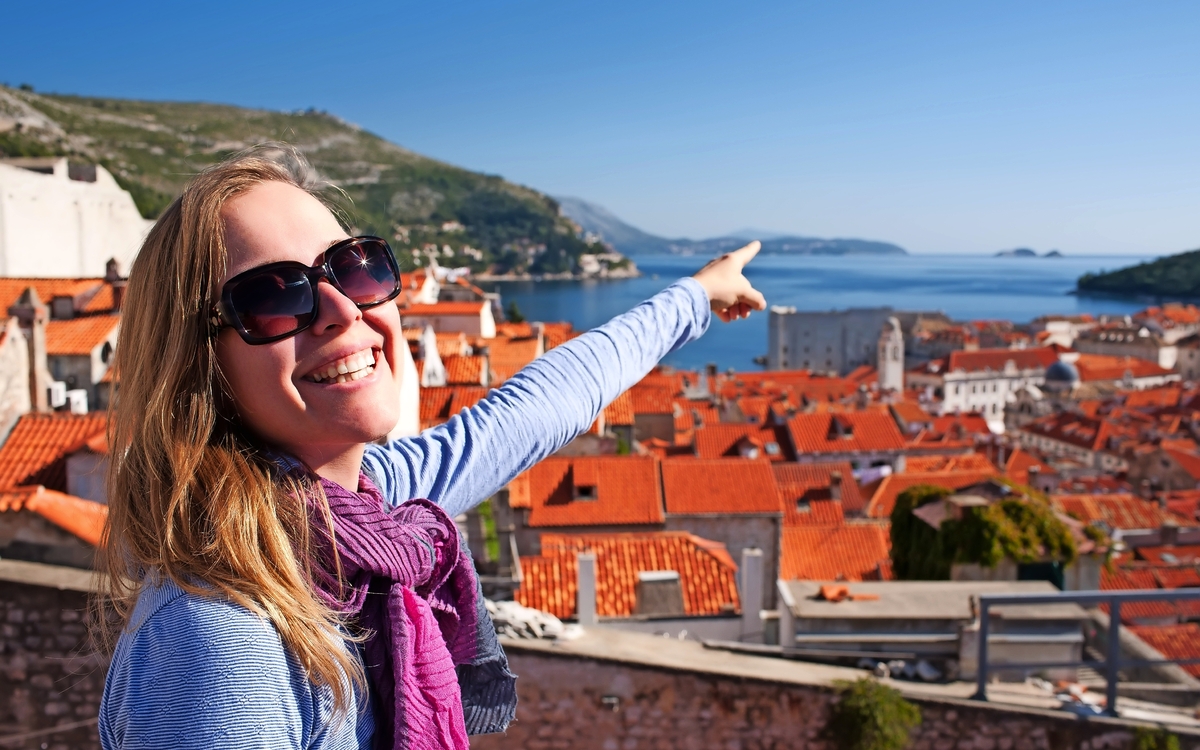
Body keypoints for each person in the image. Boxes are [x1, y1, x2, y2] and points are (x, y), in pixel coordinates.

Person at [96, 145, 765, 750]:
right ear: (198, 366)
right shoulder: (220, 636)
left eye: (353, 268)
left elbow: (533, 410)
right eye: (275, 297)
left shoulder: (362, 511)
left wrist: (696, 296)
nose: (342, 308)